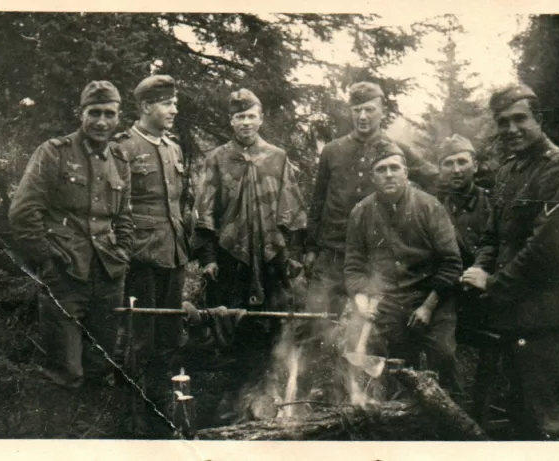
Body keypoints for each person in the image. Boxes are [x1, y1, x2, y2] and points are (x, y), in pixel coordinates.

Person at [460, 84, 559, 440]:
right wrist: (481, 267)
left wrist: (493, 285)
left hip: (548, 315)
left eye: (520, 119)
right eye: (503, 122)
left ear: (539, 120)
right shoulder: (507, 171)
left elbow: (547, 252)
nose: (511, 129)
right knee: (518, 414)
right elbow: (492, 236)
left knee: (548, 421)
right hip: (513, 312)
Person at [190, 88, 306, 423]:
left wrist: (294, 252)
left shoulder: (277, 158)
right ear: (231, 120)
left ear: (261, 118)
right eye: (239, 117)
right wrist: (209, 256)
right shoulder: (217, 159)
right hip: (231, 261)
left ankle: (269, 395)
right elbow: (204, 212)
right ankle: (234, 400)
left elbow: (294, 208)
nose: (246, 123)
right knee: (232, 321)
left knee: (271, 322)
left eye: (251, 116)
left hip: (272, 258)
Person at [9, 81, 133, 388]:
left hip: (107, 275)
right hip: (65, 273)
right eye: (94, 113)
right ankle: (60, 431)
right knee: (65, 370)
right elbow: (23, 212)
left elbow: (125, 217)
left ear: (119, 117)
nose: (101, 121)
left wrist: (123, 254)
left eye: (109, 113)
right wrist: (47, 263)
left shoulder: (119, 159)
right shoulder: (54, 153)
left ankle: (93, 432)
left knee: (100, 365)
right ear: (81, 113)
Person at [304, 81, 438, 320]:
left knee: (371, 326)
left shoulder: (396, 151)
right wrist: (311, 248)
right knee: (315, 322)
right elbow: (318, 201)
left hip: (374, 257)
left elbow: (434, 179)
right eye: (357, 110)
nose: (362, 116)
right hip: (333, 253)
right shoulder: (333, 150)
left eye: (369, 109)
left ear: (382, 111)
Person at [343, 139, 463, 396]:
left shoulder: (429, 207)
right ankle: (395, 414)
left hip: (433, 299)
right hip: (389, 302)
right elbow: (354, 266)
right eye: (381, 169)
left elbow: (451, 263)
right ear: (373, 177)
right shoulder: (360, 213)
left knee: (442, 355)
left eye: (394, 168)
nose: (388, 174)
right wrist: (362, 299)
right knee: (385, 362)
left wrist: (428, 307)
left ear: (405, 172)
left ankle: (451, 414)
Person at [114, 75, 189, 356]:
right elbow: (114, 207)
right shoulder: (122, 147)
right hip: (140, 255)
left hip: (173, 252)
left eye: (175, 103)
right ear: (146, 107)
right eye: (167, 104)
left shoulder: (173, 148)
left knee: (170, 334)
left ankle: (166, 394)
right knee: (140, 336)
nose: (174, 110)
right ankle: (134, 395)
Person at [436, 134, 492, 333]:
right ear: (440, 170)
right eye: (448, 164)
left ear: (475, 166)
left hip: (490, 290)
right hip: (453, 293)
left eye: (462, 162)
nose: (456, 170)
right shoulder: (436, 211)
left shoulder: (492, 203)